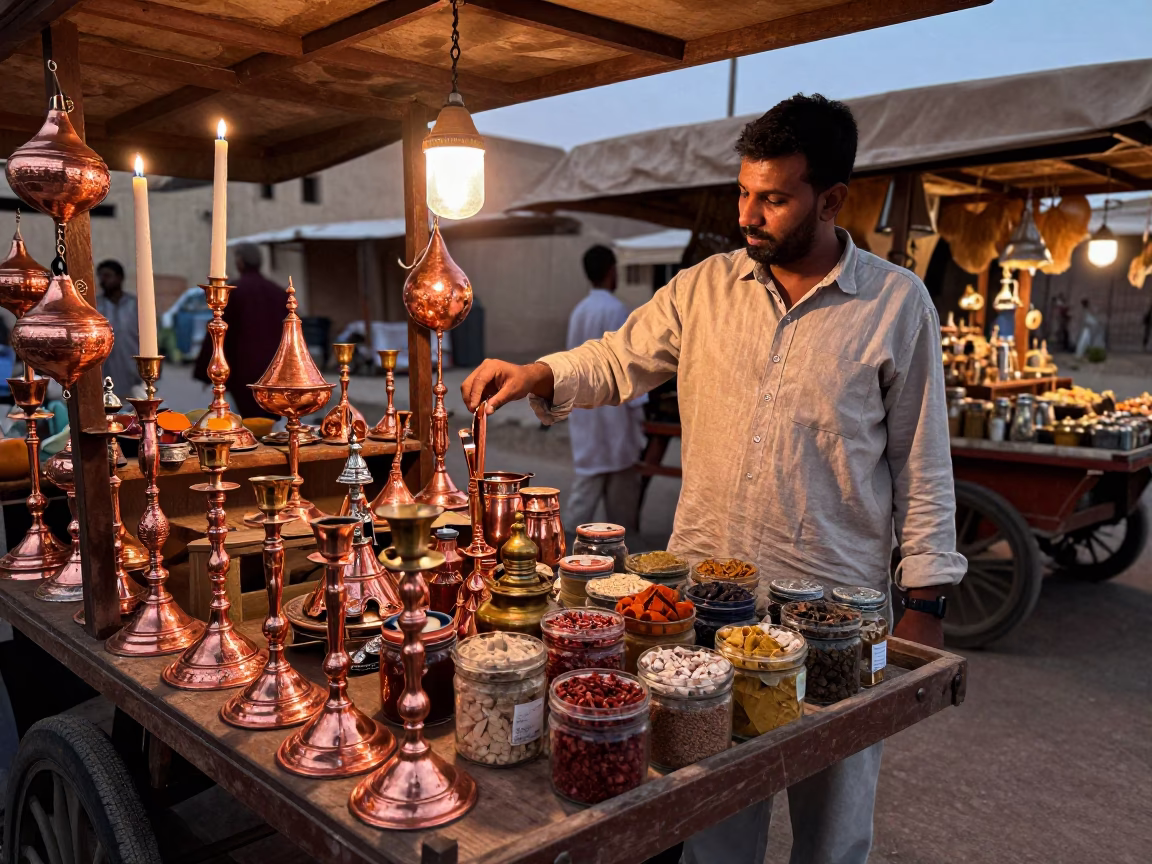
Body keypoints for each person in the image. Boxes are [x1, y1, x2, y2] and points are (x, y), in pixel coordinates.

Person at [461, 94, 965, 864]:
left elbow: (923, 463)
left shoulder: (896, 304)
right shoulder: (704, 287)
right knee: (713, 823)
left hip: (834, 615)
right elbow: (616, 357)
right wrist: (536, 372)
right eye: (742, 192)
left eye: (774, 197)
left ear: (831, 199)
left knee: (833, 834)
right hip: (703, 611)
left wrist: (925, 602)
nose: (750, 215)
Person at [563, 246, 646, 533]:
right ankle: (619, 553)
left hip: (586, 411)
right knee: (619, 494)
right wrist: (639, 407)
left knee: (587, 485)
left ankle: (566, 546)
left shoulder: (579, 312)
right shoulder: (616, 310)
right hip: (614, 412)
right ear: (612, 271)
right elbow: (629, 363)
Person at [194, 243, 287, 419]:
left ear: (240, 262)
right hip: (275, 370)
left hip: (244, 369)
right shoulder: (279, 293)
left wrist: (206, 368)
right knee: (268, 419)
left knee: (252, 419)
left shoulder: (234, 292)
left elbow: (218, 331)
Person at [94, 260, 144, 397]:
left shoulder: (135, 304)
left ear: (120, 277)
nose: (103, 280)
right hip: (105, 368)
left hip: (132, 367)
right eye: (101, 276)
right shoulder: (95, 305)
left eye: (108, 275)